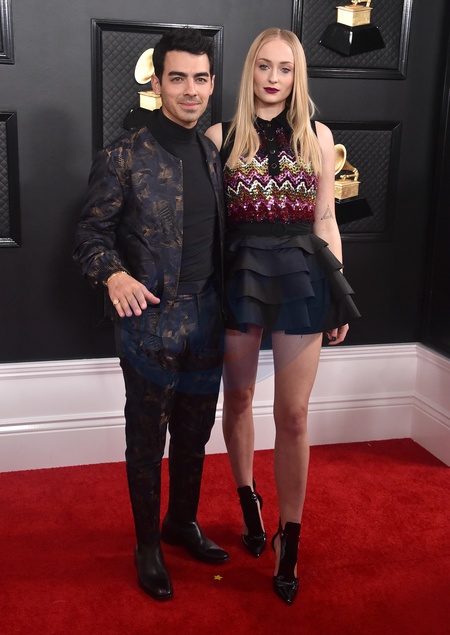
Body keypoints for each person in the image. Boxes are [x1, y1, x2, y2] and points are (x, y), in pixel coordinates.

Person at [205, 27, 360, 605]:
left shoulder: (318, 136)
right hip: (240, 274)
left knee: (293, 414)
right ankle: (248, 499)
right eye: (264, 66)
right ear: (250, 70)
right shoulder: (220, 137)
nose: (273, 78)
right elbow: (211, 225)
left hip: (302, 275)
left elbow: (326, 220)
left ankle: (287, 537)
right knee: (239, 399)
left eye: (285, 68)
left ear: (298, 77)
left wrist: (338, 290)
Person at [74, 28, 229, 602]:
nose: (191, 90)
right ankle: (147, 546)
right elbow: (89, 235)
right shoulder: (123, 155)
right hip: (150, 323)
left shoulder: (212, 153)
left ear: (211, 83)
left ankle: (180, 522)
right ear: (158, 83)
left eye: (200, 79)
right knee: (146, 440)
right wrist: (114, 275)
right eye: (178, 78)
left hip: (209, 315)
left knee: (195, 433)